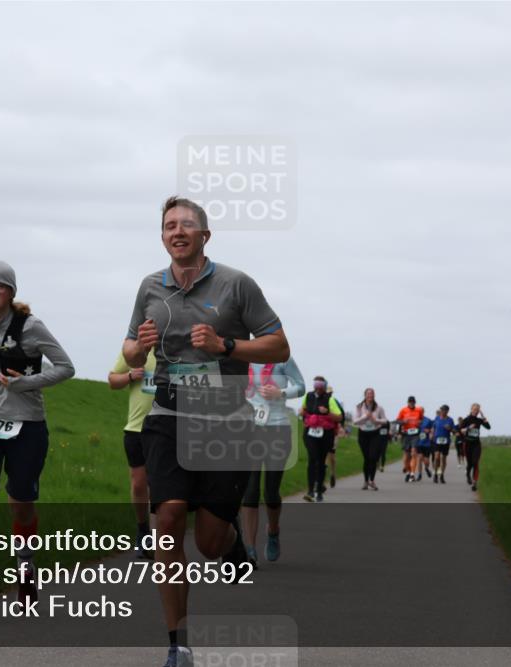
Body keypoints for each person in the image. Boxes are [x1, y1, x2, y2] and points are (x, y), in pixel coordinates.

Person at [123, 196, 290, 667]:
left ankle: (232, 542)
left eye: (187, 226)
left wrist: (227, 345)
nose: (178, 232)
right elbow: (131, 350)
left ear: (205, 236)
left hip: (224, 418)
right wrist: (140, 349)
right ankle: (178, 644)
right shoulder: (149, 287)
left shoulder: (237, 285)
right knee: (170, 517)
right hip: (167, 415)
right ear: (162, 237)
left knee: (210, 544)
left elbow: (279, 345)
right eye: (170, 225)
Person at [0, 260, 75, 612]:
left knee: (20, 504)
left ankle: (25, 567)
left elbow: (66, 368)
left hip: (27, 425)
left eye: (0, 285)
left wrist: (26, 383)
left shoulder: (31, 327)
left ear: (11, 292)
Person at [240, 358, 305, 565]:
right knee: (250, 490)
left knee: (270, 492)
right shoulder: (244, 356)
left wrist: (281, 393)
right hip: (251, 428)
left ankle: (273, 531)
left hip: (278, 428)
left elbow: (301, 387)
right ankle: (249, 550)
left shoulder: (282, 358)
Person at [108, 347, 158, 559]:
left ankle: (158, 540)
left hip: (164, 429)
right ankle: (142, 529)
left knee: (159, 486)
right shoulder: (134, 349)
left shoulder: (174, 346)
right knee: (139, 484)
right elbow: (112, 380)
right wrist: (130, 375)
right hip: (136, 428)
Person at [300, 376, 343, 501]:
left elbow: (339, 417)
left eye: (321, 384)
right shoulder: (308, 396)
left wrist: (327, 412)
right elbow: (302, 409)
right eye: (316, 384)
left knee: (321, 461)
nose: (318, 387)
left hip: (326, 434)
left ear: (324, 386)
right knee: (313, 459)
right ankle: (310, 491)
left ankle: (319, 491)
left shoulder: (330, 400)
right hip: (310, 433)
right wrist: (302, 412)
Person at [353, 388, 388, 490]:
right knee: (367, 458)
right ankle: (365, 481)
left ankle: (372, 480)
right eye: (368, 394)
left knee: (373, 458)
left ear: (374, 395)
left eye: (372, 394)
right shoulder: (359, 407)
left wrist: (375, 419)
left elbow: (385, 420)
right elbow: (355, 421)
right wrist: (365, 417)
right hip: (363, 434)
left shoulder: (379, 408)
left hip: (375, 434)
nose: (370, 395)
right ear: (365, 395)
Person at [461, 403, 491, 491]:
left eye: (477, 410)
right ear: (471, 409)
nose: (476, 411)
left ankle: (475, 483)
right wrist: (468, 428)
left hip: (476, 444)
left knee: (475, 463)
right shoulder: (466, 420)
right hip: (467, 444)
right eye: (474, 409)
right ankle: (468, 475)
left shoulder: (479, 420)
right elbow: (461, 430)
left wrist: (483, 416)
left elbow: (488, 427)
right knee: (470, 463)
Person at [396, 396, 425, 483]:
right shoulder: (403, 410)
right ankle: (408, 472)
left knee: (413, 453)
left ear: (415, 403)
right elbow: (398, 420)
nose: (412, 403)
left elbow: (422, 420)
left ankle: (412, 474)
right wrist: (403, 422)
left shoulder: (418, 410)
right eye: (410, 402)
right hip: (406, 434)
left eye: (413, 402)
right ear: (408, 402)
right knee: (406, 456)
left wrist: (420, 422)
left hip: (415, 434)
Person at [431, 405, 456, 484]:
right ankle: (435, 473)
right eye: (442, 410)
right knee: (437, 457)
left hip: (446, 441)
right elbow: (433, 427)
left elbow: (454, 431)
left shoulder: (450, 420)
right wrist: (431, 434)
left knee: (443, 458)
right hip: (437, 440)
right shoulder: (437, 418)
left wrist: (450, 429)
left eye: (445, 410)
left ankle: (441, 474)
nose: (443, 411)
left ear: (447, 411)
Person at [415, 413, 434, 481]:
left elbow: (432, 428)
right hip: (419, 443)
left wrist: (430, 431)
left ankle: (426, 468)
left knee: (426, 461)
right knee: (420, 458)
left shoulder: (428, 420)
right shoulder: (415, 419)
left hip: (427, 443)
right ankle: (419, 474)